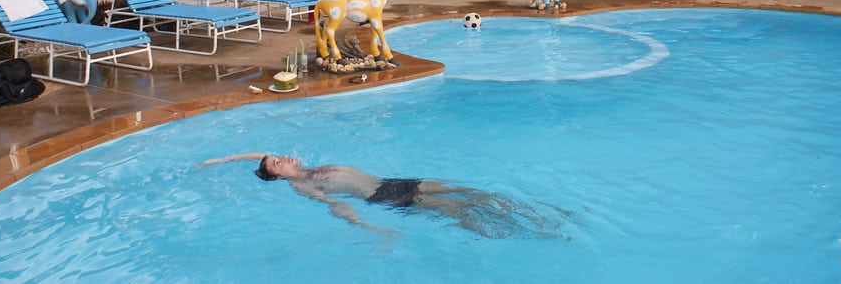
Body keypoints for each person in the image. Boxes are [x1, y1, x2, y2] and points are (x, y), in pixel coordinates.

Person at [201, 152, 571, 239]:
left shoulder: (305, 168)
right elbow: (335, 206)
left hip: (394, 180)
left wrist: (225, 159)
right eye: (276, 163)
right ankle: (517, 231)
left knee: (472, 192)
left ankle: (540, 213)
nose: (281, 158)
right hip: (384, 197)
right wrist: (372, 229)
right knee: (457, 209)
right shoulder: (302, 184)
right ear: (277, 176)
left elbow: (257, 153)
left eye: (278, 156)